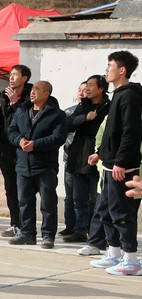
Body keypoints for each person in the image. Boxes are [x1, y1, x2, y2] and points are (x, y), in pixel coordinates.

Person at [87, 51, 142, 276]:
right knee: (106, 211)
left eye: (110, 65)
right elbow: (113, 132)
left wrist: (121, 161)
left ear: (122, 70)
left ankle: (131, 260)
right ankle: (114, 253)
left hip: (122, 167)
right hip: (110, 165)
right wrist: (100, 154)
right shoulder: (118, 95)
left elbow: (131, 133)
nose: (106, 69)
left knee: (122, 213)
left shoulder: (129, 96)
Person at [6, 81, 67, 248]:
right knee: (24, 201)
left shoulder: (57, 115)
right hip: (23, 165)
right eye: (32, 89)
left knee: (47, 203)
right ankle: (27, 233)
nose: (32, 92)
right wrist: (20, 141)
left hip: (44, 166)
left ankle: (48, 235)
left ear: (46, 94)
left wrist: (36, 144)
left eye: (37, 90)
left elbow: (58, 137)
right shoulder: (22, 110)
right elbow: (11, 131)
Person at [64, 76, 108, 244]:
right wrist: (85, 118)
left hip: (96, 156)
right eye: (85, 85)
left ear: (101, 88)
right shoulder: (83, 106)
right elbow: (69, 124)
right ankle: (80, 230)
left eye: (90, 85)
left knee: (97, 199)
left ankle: (99, 233)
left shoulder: (108, 106)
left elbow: (105, 132)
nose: (87, 89)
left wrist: (100, 153)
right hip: (78, 156)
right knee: (79, 198)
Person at [0, 64, 32, 238]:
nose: (11, 78)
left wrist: (16, 103)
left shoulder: (31, 96)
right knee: (10, 187)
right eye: (10, 74)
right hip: (5, 150)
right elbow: (2, 122)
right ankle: (15, 223)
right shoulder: (5, 96)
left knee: (24, 188)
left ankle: (27, 225)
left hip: (23, 149)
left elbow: (26, 121)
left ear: (25, 78)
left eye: (15, 74)